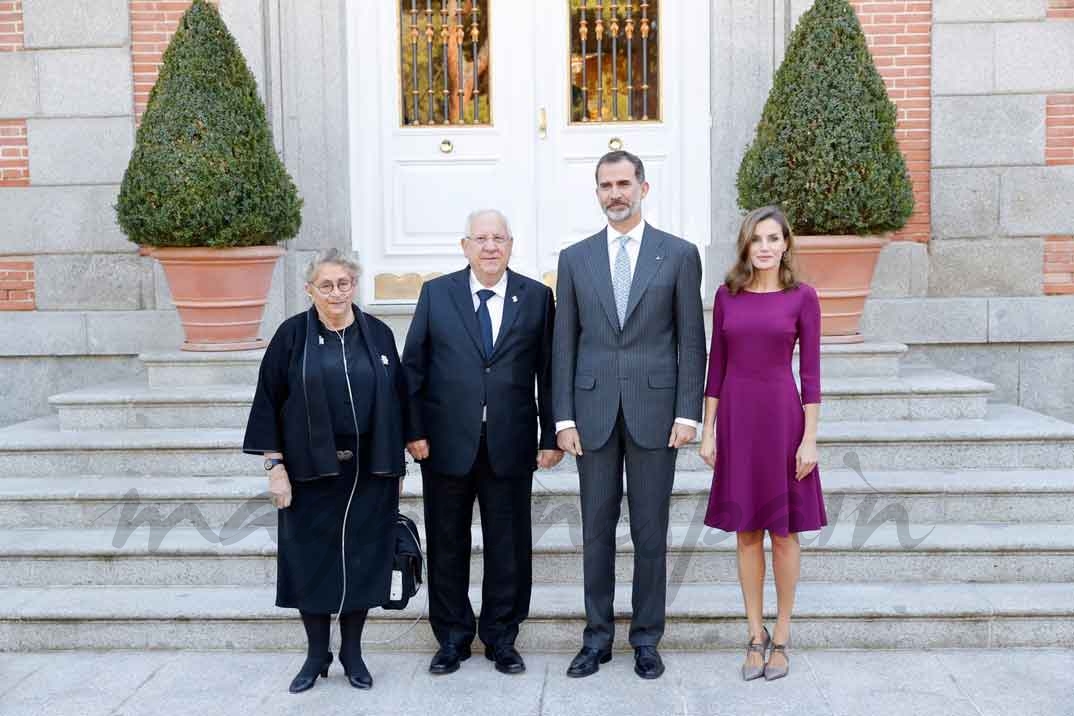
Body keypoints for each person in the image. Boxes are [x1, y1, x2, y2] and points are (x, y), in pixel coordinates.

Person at [551, 150, 707, 680]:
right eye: (604, 185)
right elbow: (563, 344)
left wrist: (689, 412)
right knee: (595, 531)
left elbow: (691, 340)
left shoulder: (679, 255)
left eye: (623, 183)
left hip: (655, 412)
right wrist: (562, 418)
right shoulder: (574, 259)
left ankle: (646, 639)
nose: (614, 193)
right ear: (596, 192)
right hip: (591, 413)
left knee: (649, 531)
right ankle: (596, 638)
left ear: (644, 187)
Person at [401, 209, 562, 676]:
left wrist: (550, 434)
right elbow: (414, 368)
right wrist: (413, 431)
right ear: (465, 246)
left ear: (511, 245)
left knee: (509, 546)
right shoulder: (437, 293)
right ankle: (451, 638)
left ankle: (501, 638)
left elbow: (548, 374)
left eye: (499, 238)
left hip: (511, 442)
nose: (491, 247)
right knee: (447, 543)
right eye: (482, 239)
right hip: (445, 444)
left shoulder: (536, 297)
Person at [242, 249, 407, 693]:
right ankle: (317, 655)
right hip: (308, 470)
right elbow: (268, 403)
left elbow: (400, 397)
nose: (337, 293)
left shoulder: (379, 333)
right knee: (311, 562)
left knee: (363, 560)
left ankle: (352, 653)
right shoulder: (291, 336)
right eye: (327, 285)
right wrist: (274, 467)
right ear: (309, 289)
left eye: (344, 284)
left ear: (355, 285)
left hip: (371, 470)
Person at [699, 205, 827, 682]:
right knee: (747, 532)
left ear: (786, 244)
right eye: (757, 239)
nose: (766, 247)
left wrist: (809, 439)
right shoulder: (727, 297)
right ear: (746, 246)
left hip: (783, 422)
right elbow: (717, 368)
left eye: (774, 238)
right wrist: (709, 429)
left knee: (784, 532)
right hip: (737, 421)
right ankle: (754, 635)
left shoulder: (803, 298)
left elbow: (811, 376)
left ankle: (783, 633)